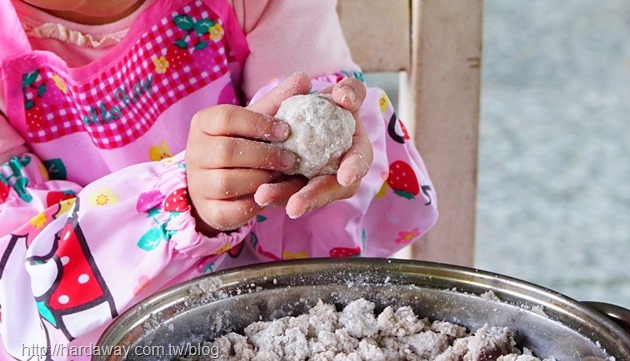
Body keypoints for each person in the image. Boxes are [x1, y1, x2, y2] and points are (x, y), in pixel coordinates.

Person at [0, 0, 438, 359]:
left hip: (279, 326)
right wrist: (183, 199)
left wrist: (325, 149)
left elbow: (317, 131)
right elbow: (17, 303)